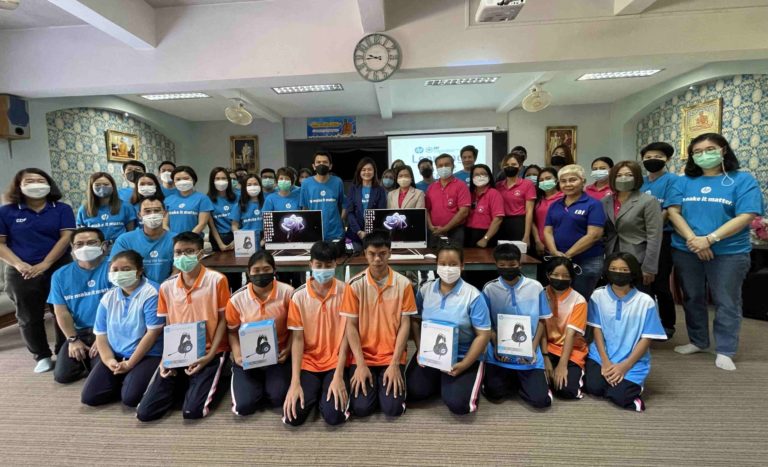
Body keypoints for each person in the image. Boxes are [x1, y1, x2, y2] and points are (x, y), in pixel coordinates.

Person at [666, 133, 761, 371]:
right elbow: (674, 212)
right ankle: (698, 340)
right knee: (692, 297)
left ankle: (725, 349)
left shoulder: (742, 180)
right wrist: (694, 240)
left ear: (723, 150)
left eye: (710, 149)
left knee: (726, 300)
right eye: (697, 152)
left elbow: (746, 215)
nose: (703, 155)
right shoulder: (683, 181)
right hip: (687, 249)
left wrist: (710, 239)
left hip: (729, 252)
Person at [136, 232, 231, 421]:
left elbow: (223, 320)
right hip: (178, 352)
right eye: (178, 252)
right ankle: (187, 383)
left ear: (200, 253)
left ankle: (220, 376)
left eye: (189, 251)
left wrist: (210, 355)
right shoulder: (166, 286)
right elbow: (168, 324)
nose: (183, 256)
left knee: (192, 412)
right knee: (145, 413)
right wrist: (167, 359)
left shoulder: (217, 280)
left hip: (210, 351)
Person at [0, 168, 75, 373]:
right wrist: (19, 264)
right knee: (28, 315)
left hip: (58, 265)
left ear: (49, 185)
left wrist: (46, 263)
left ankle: (64, 349)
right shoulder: (7, 211)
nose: (36, 184)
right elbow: (1, 243)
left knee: (62, 309)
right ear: (19, 186)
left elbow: (66, 238)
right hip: (21, 270)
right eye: (29, 181)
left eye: (41, 180)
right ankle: (41, 355)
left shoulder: (61, 209)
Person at [406, 242, 491, 415]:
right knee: (412, 392)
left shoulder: (473, 296)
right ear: (436, 265)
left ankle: (470, 376)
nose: (447, 268)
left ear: (462, 265)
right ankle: (441, 381)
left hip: (463, 355)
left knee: (459, 405)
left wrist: (465, 364)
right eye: (443, 264)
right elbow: (415, 320)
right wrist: (421, 348)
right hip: (431, 353)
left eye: (453, 264)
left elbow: (483, 335)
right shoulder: (425, 290)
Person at [341, 230, 416, 418]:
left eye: (382, 254)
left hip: (391, 356)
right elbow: (351, 326)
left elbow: (405, 324)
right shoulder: (353, 285)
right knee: (361, 409)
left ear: (389, 253)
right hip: (363, 356)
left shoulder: (404, 284)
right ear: (365, 254)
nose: (377, 259)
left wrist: (395, 363)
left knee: (392, 409)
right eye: (372, 254)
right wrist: (360, 364)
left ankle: (384, 386)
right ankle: (373, 385)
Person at [81, 250, 164, 408]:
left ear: (139, 271)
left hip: (148, 354)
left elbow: (152, 334)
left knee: (130, 399)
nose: (119, 274)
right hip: (117, 354)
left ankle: (132, 379)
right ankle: (125, 378)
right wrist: (109, 360)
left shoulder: (152, 293)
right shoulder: (108, 297)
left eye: (126, 269)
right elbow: (101, 335)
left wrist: (130, 364)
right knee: (89, 397)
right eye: (115, 270)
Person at [584, 252, 666, 412]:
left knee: (620, 397)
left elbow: (647, 338)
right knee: (594, 388)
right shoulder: (598, 295)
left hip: (632, 359)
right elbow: (597, 330)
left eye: (624, 270)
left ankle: (635, 389)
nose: (618, 273)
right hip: (602, 356)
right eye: (613, 269)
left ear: (633, 272)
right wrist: (605, 361)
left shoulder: (645, 301)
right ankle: (615, 382)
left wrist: (625, 365)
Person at [283, 241, 350, 426]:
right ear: (310, 264)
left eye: (328, 265)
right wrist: (295, 382)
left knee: (333, 416)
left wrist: (338, 376)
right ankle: (316, 393)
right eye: (318, 265)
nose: (323, 270)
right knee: (293, 417)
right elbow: (297, 340)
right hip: (309, 363)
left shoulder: (346, 291)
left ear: (336, 264)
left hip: (336, 362)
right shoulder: (298, 297)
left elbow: (347, 335)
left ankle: (324, 396)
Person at [482, 243, 552, 409]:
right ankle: (513, 378)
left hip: (530, 349)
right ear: (496, 265)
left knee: (541, 401)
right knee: (494, 393)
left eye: (512, 265)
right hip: (500, 349)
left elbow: (542, 320)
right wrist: (496, 345)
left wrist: (532, 348)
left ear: (520, 264)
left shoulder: (535, 287)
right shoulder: (489, 289)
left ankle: (521, 380)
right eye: (502, 265)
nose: (508, 269)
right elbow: (486, 324)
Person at [226, 251, 294, 415]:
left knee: (278, 398)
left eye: (266, 269)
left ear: (274, 270)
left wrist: (288, 350)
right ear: (248, 272)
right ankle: (254, 387)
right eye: (256, 270)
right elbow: (232, 332)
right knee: (244, 406)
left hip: (278, 357)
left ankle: (269, 386)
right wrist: (237, 355)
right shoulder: (236, 299)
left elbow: (295, 328)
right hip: (247, 358)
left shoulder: (288, 293)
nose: (261, 274)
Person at [48, 227, 111, 384]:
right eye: (79, 244)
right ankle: (89, 361)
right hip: (79, 331)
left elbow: (122, 309)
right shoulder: (60, 275)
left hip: (108, 330)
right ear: (72, 248)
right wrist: (72, 339)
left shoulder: (114, 268)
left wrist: (105, 337)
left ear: (103, 245)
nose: (85, 247)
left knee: (101, 374)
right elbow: (61, 312)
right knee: (62, 376)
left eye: (91, 242)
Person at [544, 164, 606, 300]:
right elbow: (548, 231)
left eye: (573, 180)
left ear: (583, 181)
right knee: (558, 299)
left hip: (587, 261)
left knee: (580, 300)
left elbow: (594, 235)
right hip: (559, 260)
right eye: (563, 181)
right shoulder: (555, 205)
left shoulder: (593, 204)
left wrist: (568, 255)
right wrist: (554, 252)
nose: (568, 184)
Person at [601, 161, 663, 296]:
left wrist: (649, 267)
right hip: (611, 257)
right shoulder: (605, 201)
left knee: (638, 298)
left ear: (637, 177)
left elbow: (655, 236)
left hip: (638, 258)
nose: (623, 178)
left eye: (629, 175)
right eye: (619, 175)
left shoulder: (648, 201)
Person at [640, 142, 678, 337]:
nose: (652, 160)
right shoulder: (641, 182)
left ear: (667, 159)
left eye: (657, 157)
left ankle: (668, 323)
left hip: (663, 237)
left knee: (660, 283)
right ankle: (645, 323)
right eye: (648, 157)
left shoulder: (673, 180)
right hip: (640, 238)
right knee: (642, 283)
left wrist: (653, 229)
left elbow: (669, 210)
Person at [542, 257, 588, 400]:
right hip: (547, 348)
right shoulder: (541, 294)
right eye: (556, 274)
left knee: (567, 391)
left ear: (572, 278)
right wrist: (545, 357)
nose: (560, 279)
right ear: (548, 275)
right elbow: (540, 327)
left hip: (572, 350)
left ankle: (580, 374)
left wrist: (562, 365)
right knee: (539, 383)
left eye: (565, 275)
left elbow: (571, 334)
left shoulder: (579, 300)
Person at [111, 197, 176, 284]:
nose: (152, 214)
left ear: (164, 213)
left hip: (170, 288)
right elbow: (117, 271)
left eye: (157, 210)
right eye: (147, 211)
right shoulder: (125, 240)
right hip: (136, 289)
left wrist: (165, 287)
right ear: (139, 215)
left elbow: (180, 270)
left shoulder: (177, 239)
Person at [76, 172, 135, 245]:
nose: (102, 187)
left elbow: (131, 234)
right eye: (97, 185)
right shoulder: (84, 210)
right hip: (94, 249)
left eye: (106, 184)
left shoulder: (126, 207)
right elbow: (80, 236)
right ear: (91, 187)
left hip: (120, 248)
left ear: (113, 186)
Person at [425, 153, 471, 247]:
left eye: (447, 164)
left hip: (455, 231)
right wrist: (430, 226)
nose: (443, 167)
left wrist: (446, 228)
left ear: (453, 166)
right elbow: (427, 210)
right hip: (435, 232)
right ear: (436, 168)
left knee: (455, 255)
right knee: (433, 255)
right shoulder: (431, 187)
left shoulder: (461, 185)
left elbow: (464, 211)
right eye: (440, 165)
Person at [299, 152, 346, 241]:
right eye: (318, 162)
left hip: (335, 233)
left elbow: (344, 204)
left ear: (330, 166)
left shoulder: (337, 181)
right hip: (314, 231)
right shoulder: (306, 183)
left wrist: (340, 220)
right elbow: (304, 208)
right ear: (313, 166)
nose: (321, 164)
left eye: (325, 162)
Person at [495, 151, 536, 242]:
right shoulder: (498, 186)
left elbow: (529, 212)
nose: (510, 167)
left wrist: (527, 235)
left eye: (513, 164)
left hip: (519, 223)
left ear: (520, 167)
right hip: (501, 223)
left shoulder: (527, 184)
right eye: (507, 165)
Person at [346, 157, 387, 245]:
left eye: (369, 169)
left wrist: (370, 232)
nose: (367, 172)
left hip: (374, 235)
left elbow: (381, 213)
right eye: (363, 170)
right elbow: (350, 212)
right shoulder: (353, 188)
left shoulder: (380, 190)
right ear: (359, 172)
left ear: (374, 171)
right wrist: (359, 231)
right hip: (355, 233)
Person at [163, 166, 213, 235]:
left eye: (186, 178)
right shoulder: (168, 199)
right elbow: (164, 224)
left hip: (193, 239)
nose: (182, 181)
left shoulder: (202, 198)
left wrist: (187, 239)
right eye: (178, 179)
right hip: (173, 239)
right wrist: (171, 237)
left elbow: (202, 224)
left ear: (193, 180)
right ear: (174, 182)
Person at [466, 164, 504, 249]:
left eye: (483, 174)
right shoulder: (469, 193)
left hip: (487, 235)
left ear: (489, 176)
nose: (480, 177)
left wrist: (485, 239)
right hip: (469, 233)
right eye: (476, 174)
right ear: (472, 177)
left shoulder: (494, 193)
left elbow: (498, 219)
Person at [206, 167, 240, 253]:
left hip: (237, 235)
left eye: (223, 178)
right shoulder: (207, 199)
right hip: (218, 238)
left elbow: (242, 220)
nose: (221, 181)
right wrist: (221, 244)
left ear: (228, 180)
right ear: (212, 181)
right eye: (217, 179)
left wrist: (238, 239)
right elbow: (212, 226)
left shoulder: (238, 196)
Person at [532, 167, 564, 257]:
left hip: (560, 245)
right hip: (541, 245)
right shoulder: (538, 199)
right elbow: (533, 221)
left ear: (556, 180)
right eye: (541, 180)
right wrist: (537, 240)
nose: (544, 182)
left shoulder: (564, 197)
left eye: (548, 178)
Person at [233, 174, 264, 246]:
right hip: (245, 239)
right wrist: (241, 238)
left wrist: (263, 241)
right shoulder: (239, 205)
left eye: (255, 184)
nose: (253, 187)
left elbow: (270, 226)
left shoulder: (266, 203)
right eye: (249, 185)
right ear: (244, 187)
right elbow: (234, 226)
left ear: (260, 186)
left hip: (263, 240)